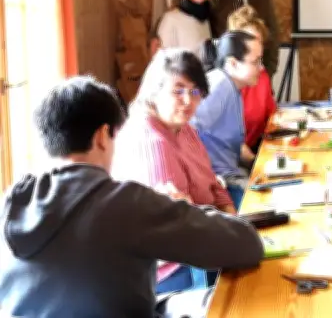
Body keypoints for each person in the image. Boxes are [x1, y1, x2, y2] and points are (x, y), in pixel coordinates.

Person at [0, 76, 263, 318]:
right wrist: (177, 208)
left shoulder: (7, 204)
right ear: (103, 136)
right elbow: (246, 244)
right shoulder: (125, 202)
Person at [112, 49, 238, 294]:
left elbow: (212, 182)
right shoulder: (150, 139)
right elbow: (181, 231)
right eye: (177, 91)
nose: (188, 101)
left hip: (203, 237)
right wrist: (233, 235)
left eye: (194, 92)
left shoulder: (183, 127)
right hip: (170, 269)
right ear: (155, 91)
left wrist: (233, 219)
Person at [192, 31, 263, 209]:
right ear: (232, 63)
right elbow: (188, 130)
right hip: (222, 182)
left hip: (232, 172)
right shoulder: (218, 86)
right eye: (255, 62)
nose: (261, 68)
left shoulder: (232, 87)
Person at [227, 5, 277, 162]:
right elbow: (229, 143)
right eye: (248, 42)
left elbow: (273, 119)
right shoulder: (223, 86)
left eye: (258, 41)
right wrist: (257, 163)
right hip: (232, 161)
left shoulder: (262, 76)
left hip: (256, 150)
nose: (255, 47)